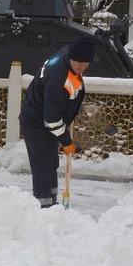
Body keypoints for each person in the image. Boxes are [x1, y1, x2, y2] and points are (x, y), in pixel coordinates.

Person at [19, 37, 95, 208]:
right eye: (78, 64)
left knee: (51, 162)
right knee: (43, 166)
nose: (82, 68)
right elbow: (52, 120)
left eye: (86, 64)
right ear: (71, 58)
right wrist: (67, 141)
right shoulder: (58, 78)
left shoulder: (68, 53)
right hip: (36, 122)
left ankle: (52, 202)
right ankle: (43, 207)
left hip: (45, 117)